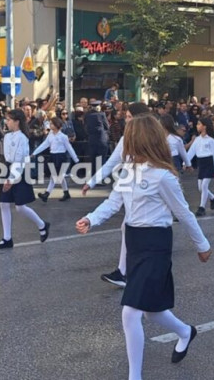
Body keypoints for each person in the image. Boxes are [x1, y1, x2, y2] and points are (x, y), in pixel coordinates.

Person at [75, 115, 212, 380]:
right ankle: (185, 331)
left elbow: (183, 213)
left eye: (128, 136)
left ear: (140, 140)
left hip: (156, 244)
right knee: (151, 310)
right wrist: (91, 219)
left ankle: (134, 376)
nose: (123, 141)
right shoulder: (128, 170)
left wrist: (202, 245)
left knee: (130, 312)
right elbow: (114, 203)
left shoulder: (163, 176)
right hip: (135, 242)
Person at [82, 102, 152, 288]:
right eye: (126, 116)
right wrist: (92, 181)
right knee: (125, 225)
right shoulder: (124, 139)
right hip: (127, 181)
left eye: (129, 117)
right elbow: (111, 163)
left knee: (135, 227)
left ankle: (132, 271)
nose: (126, 119)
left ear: (139, 118)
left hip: (146, 188)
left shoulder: (152, 139)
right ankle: (123, 272)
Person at [0, 108, 50, 249]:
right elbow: (7, 156)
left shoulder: (22, 138)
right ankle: (7, 238)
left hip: (19, 172)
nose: (7, 122)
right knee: (3, 204)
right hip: (7, 168)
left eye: (9, 119)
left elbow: (20, 160)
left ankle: (42, 224)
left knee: (20, 207)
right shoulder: (7, 136)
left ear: (17, 121)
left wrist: (11, 179)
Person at [34, 117, 79, 203]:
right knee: (58, 176)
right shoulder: (50, 135)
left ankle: (46, 194)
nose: (50, 125)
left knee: (56, 176)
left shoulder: (63, 137)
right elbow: (44, 145)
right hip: (53, 157)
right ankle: (66, 193)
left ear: (57, 125)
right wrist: (35, 153)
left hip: (61, 157)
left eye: (52, 124)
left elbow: (69, 148)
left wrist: (75, 158)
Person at [185, 117, 214, 217]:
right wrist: (186, 163)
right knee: (200, 188)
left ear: (204, 126)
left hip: (209, 163)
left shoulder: (211, 140)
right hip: (201, 163)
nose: (197, 126)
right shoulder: (197, 140)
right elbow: (191, 151)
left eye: (199, 124)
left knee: (204, 185)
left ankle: (202, 207)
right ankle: (213, 197)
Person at [84, 100, 110, 176]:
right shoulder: (102, 114)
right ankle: (100, 177)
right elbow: (106, 126)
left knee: (93, 160)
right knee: (101, 160)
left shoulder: (87, 115)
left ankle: (93, 177)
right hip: (101, 140)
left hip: (92, 140)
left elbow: (85, 127)